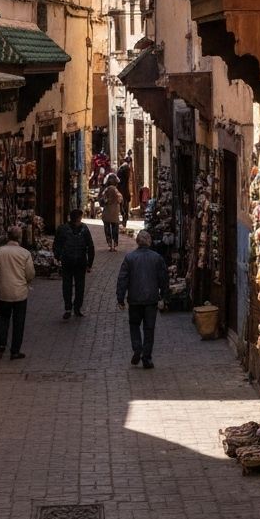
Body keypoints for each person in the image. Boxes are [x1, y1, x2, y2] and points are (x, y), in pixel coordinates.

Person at [116, 230, 169, 369]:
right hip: (151, 299)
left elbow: (122, 279)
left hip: (134, 299)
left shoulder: (130, 258)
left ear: (137, 242)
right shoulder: (157, 258)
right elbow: (163, 279)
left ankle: (137, 348)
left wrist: (120, 298)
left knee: (134, 326)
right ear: (149, 241)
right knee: (149, 329)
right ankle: (147, 357)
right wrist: (163, 296)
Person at [0, 225, 35, 360]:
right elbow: (30, 273)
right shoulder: (25, 253)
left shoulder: (0, 251)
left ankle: (1, 347)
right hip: (20, 292)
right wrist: (27, 282)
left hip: (4, 292)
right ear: (19, 238)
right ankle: (15, 351)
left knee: (3, 319)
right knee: (18, 322)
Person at [53, 208, 95, 319]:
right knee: (77, 286)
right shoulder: (83, 229)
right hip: (77, 262)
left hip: (71, 261)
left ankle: (71, 308)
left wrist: (58, 256)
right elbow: (90, 246)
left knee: (70, 285)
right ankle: (74, 308)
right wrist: (89, 264)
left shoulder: (63, 229)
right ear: (79, 218)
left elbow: (56, 244)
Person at [100, 181, 123, 251]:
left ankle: (110, 245)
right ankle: (115, 245)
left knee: (107, 230)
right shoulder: (116, 191)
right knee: (115, 230)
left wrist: (107, 201)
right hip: (115, 213)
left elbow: (103, 201)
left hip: (106, 213)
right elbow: (120, 200)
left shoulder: (106, 190)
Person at [116, 156, 132, 227]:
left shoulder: (121, 167)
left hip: (121, 188)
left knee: (122, 204)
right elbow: (126, 181)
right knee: (124, 204)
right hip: (124, 189)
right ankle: (124, 220)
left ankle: (124, 219)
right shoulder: (126, 167)